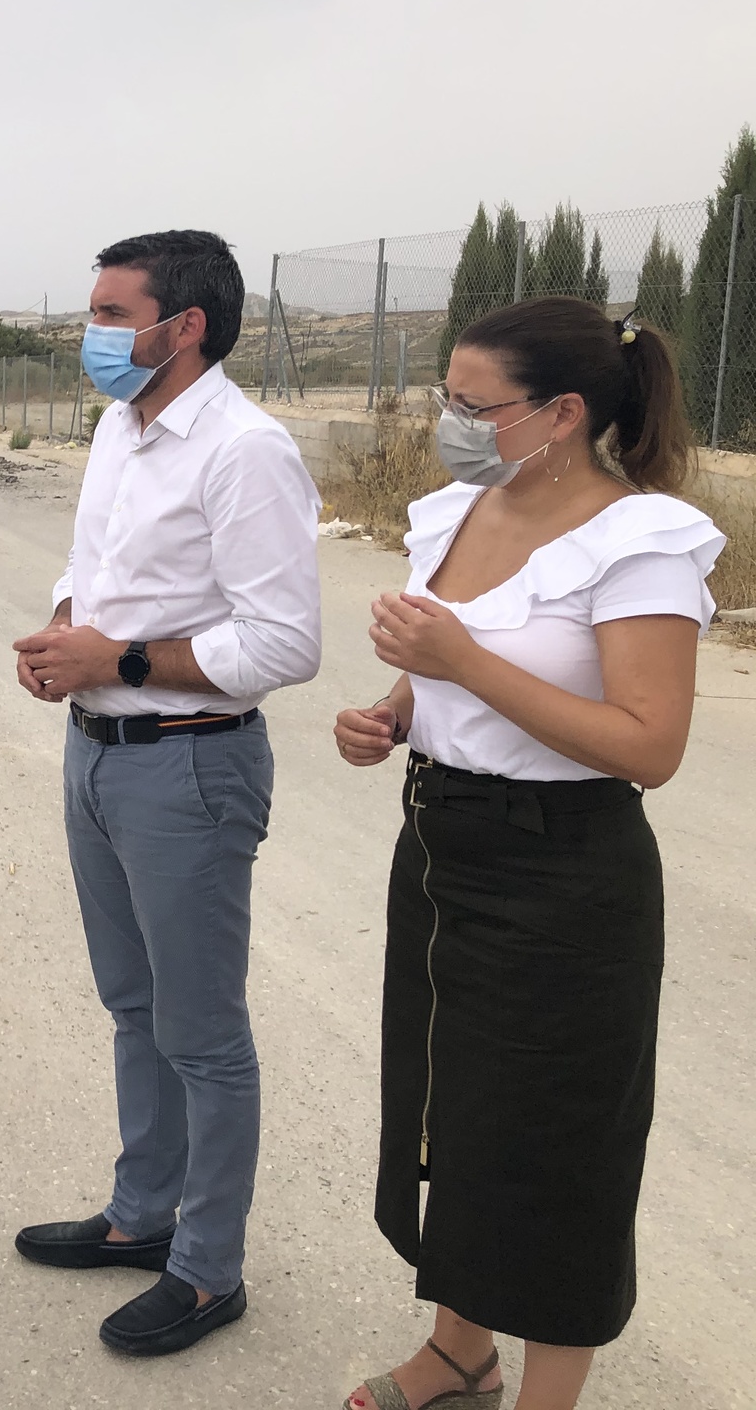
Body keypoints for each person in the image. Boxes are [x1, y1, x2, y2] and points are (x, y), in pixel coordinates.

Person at [332, 296, 722, 1410]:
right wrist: (392, 713)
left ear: (560, 412)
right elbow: (444, 664)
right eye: (443, 397)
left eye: (471, 404)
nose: (448, 421)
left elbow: (649, 748)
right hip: (440, 847)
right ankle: (460, 1351)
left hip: (564, 878)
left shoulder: (639, 538)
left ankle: (546, 1395)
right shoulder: (454, 511)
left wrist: (457, 665)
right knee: (449, 1112)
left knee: (557, 1147)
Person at [10, 230, 322, 1356]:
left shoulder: (244, 451)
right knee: (131, 1006)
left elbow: (283, 643)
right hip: (96, 754)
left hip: (189, 761)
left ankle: (205, 1270)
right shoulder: (119, 424)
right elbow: (97, 568)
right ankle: (139, 1218)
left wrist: (122, 661)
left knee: (200, 1032)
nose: (90, 334)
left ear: (181, 325)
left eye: (107, 312)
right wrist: (62, 632)